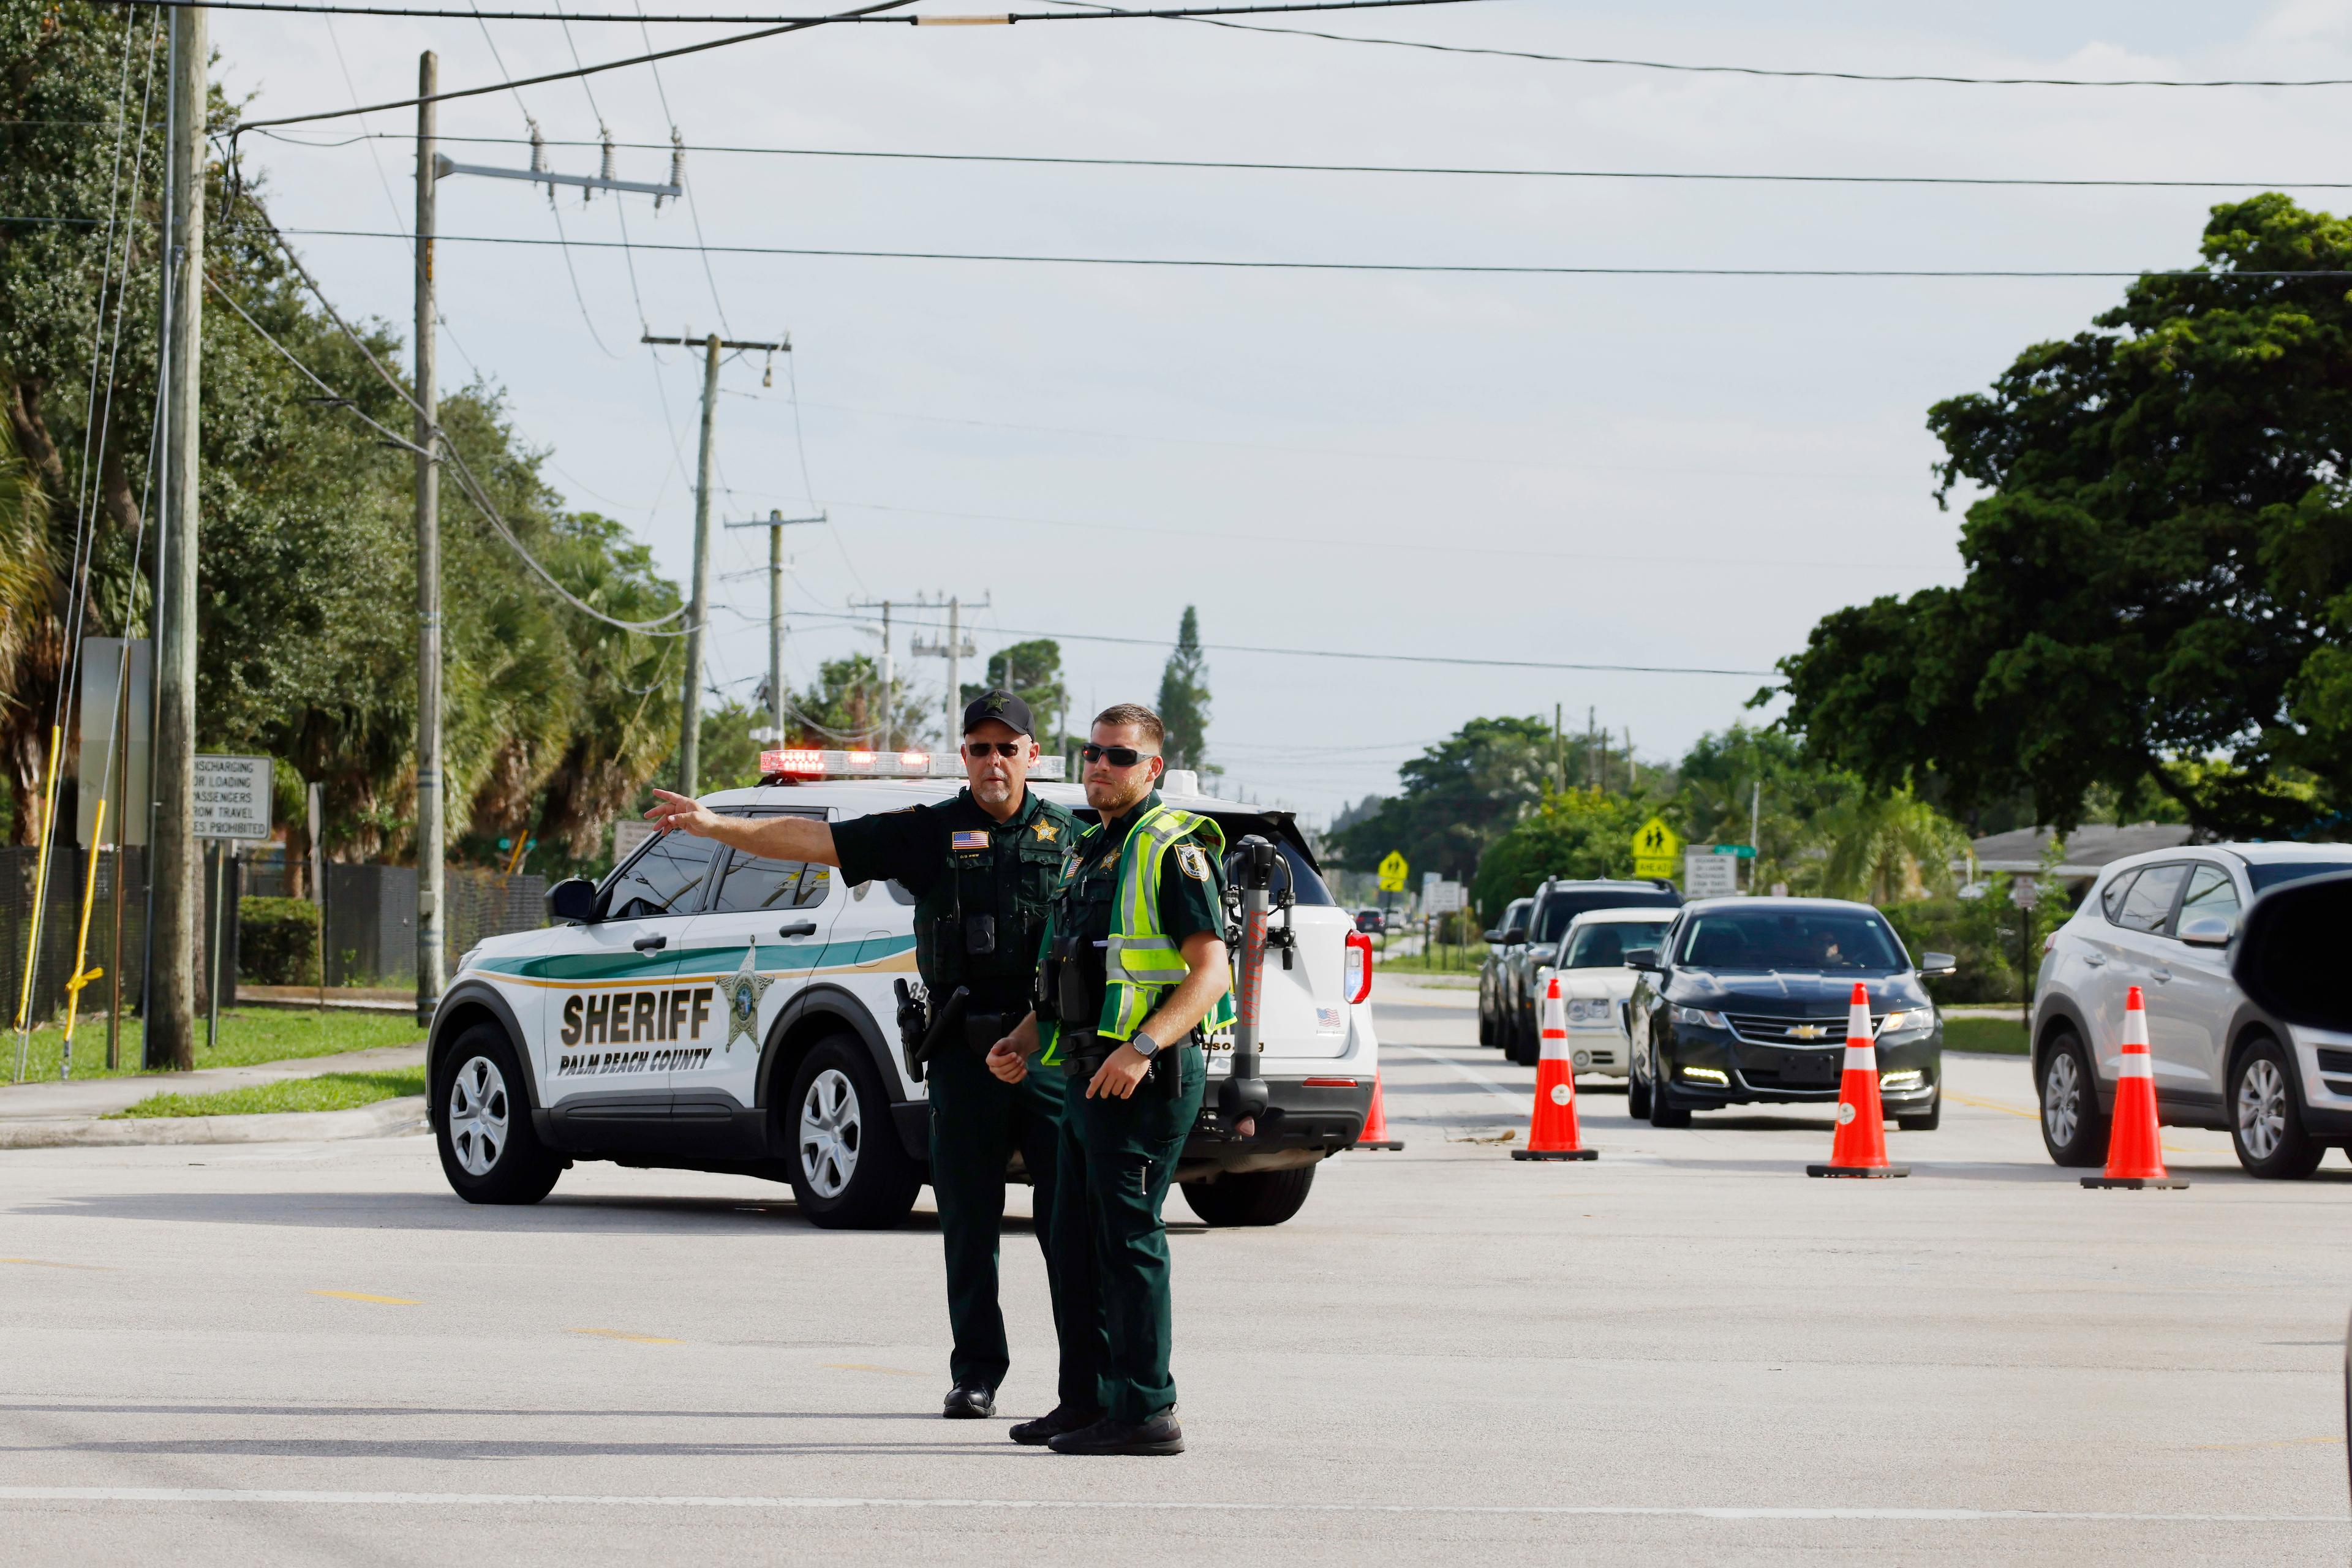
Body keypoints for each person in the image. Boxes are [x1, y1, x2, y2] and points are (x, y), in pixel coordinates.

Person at [643, 690, 1082, 1424]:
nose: (994, 761)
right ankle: (976, 1373)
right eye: (980, 747)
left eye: (1009, 747)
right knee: (969, 1224)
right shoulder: (929, 832)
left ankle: (1083, 1385)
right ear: (964, 756)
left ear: (1033, 756)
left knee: (1068, 1224)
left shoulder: (1073, 838)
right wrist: (719, 825)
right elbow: (818, 843)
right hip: (963, 1050)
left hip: (1046, 1051)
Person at [984, 703, 1234, 1457]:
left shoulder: (1171, 845)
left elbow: (1210, 970)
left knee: (1127, 1240)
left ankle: (1147, 1409)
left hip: (1143, 1077)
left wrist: (1144, 1047)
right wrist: (1023, 1040)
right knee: (1073, 1239)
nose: (1100, 766)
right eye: (1091, 753)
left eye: (1119, 757)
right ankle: (1087, 1400)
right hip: (1085, 1070)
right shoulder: (1089, 848)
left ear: (1151, 769)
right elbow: (1076, 971)